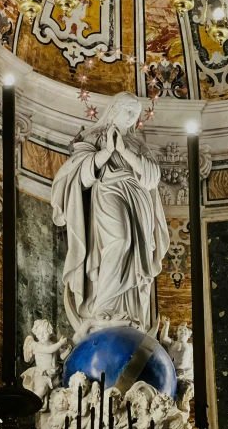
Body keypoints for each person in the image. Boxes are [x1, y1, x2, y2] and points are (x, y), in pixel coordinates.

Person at [50, 92, 169, 332]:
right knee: (119, 240)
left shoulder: (137, 143)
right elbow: (78, 175)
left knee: (134, 252)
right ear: (114, 110)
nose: (132, 118)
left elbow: (153, 177)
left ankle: (131, 314)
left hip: (139, 199)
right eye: (128, 111)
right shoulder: (93, 136)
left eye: (135, 114)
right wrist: (106, 152)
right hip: (107, 192)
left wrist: (124, 150)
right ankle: (104, 306)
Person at [21, 319, 69, 411]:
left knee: (55, 394)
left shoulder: (53, 344)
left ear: (50, 332)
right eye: (39, 334)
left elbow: (59, 358)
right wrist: (60, 343)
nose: (42, 336)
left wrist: (67, 351)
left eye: (45, 332)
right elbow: (49, 350)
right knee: (42, 389)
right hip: (42, 374)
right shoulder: (38, 346)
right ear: (36, 335)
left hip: (53, 373)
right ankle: (30, 404)